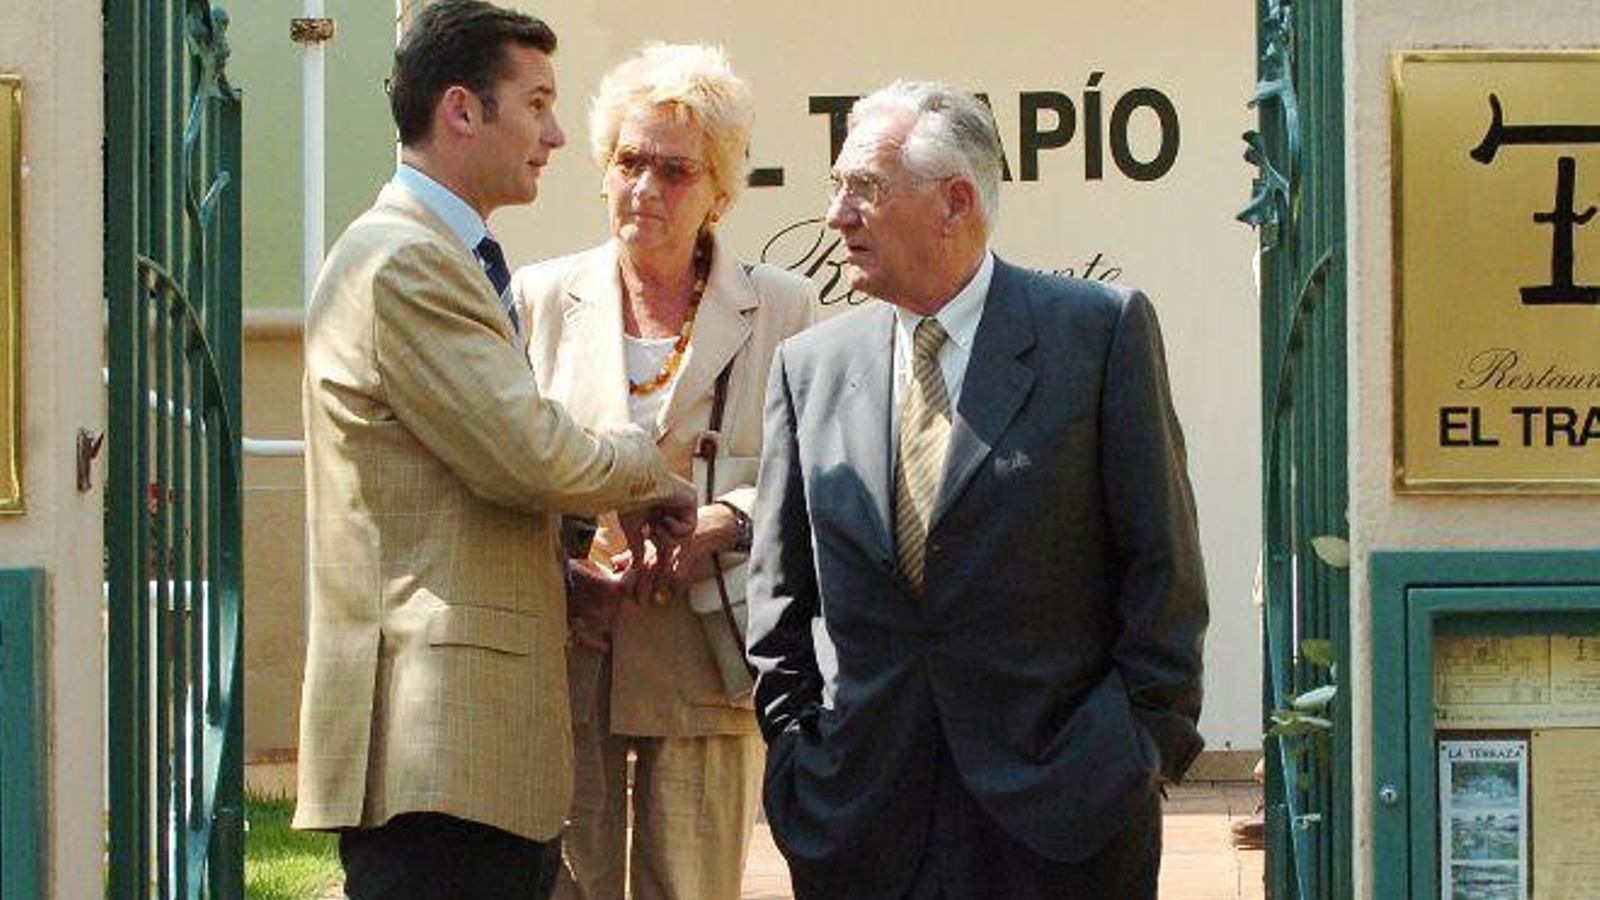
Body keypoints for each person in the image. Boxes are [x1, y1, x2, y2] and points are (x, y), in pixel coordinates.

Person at [747, 80, 1209, 900]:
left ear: (954, 201)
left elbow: (1163, 577)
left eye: (865, 188)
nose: (837, 216)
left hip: (1065, 821)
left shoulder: (1097, 334)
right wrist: (798, 762)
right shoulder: (810, 369)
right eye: (835, 187)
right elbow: (778, 602)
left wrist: (1133, 751)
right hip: (865, 824)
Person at [293, 4, 696, 898]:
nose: (555, 135)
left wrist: (554, 579)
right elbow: (523, 450)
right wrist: (647, 469)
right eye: (538, 103)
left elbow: (442, 485)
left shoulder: (441, 252)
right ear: (462, 111)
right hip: (436, 753)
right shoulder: (405, 261)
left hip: (465, 752)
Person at [512, 42, 816, 900]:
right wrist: (562, 567)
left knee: (693, 885)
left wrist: (722, 523)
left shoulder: (781, 308)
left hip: (706, 650)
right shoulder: (539, 300)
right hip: (577, 645)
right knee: (569, 884)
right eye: (628, 162)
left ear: (720, 190)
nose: (644, 189)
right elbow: (503, 468)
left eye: (674, 171)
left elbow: (807, 477)